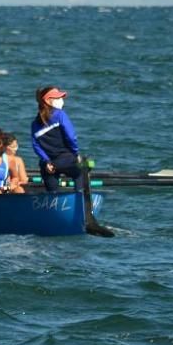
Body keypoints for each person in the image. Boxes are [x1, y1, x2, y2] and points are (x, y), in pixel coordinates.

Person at [31, 86, 114, 237]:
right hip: (66, 159)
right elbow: (71, 137)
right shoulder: (60, 115)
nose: (61, 100)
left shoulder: (35, 123)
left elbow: (35, 145)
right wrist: (76, 154)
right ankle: (84, 211)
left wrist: (47, 161)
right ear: (48, 101)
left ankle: (53, 219)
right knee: (82, 171)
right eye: (58, 98)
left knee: (52, 193)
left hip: (47, 165)